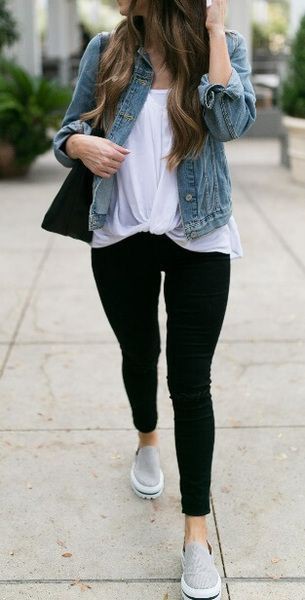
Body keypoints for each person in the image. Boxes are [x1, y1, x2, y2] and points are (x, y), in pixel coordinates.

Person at [53, 1, 256, 598]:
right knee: (139, 353)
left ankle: (196, 536)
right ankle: (146, 439)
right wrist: (81, 149)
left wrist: (215, 29)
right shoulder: (106, 48)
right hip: (119, 233)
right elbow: (67, 134)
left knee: (191, 382)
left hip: (200, 235)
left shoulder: (224, 45)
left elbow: (231, 124)